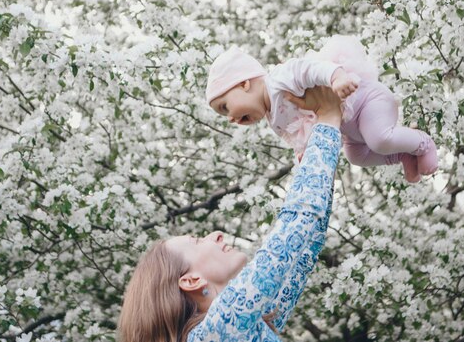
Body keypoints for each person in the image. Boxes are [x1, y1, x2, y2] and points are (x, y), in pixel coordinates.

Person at [118, 86, 343, 342]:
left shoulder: (242, 326)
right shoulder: (220, 328)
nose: (215, 234)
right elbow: (298, 222)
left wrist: (318, 155)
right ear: (191, 281)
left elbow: (305, 248)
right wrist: (327, 120)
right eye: (197, 241)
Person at [205, 35, 438, 183]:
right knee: (355, 156)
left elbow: (310, 69)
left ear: (244, 83)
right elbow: (304, 132)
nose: (231, 118)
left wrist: (336, 78)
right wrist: (305, 152)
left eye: (225, 107)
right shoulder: (273, 118)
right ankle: (403, 154)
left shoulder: (278, 80)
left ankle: (423, 142)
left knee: (378, 139)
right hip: (351, 130)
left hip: (366, 102)